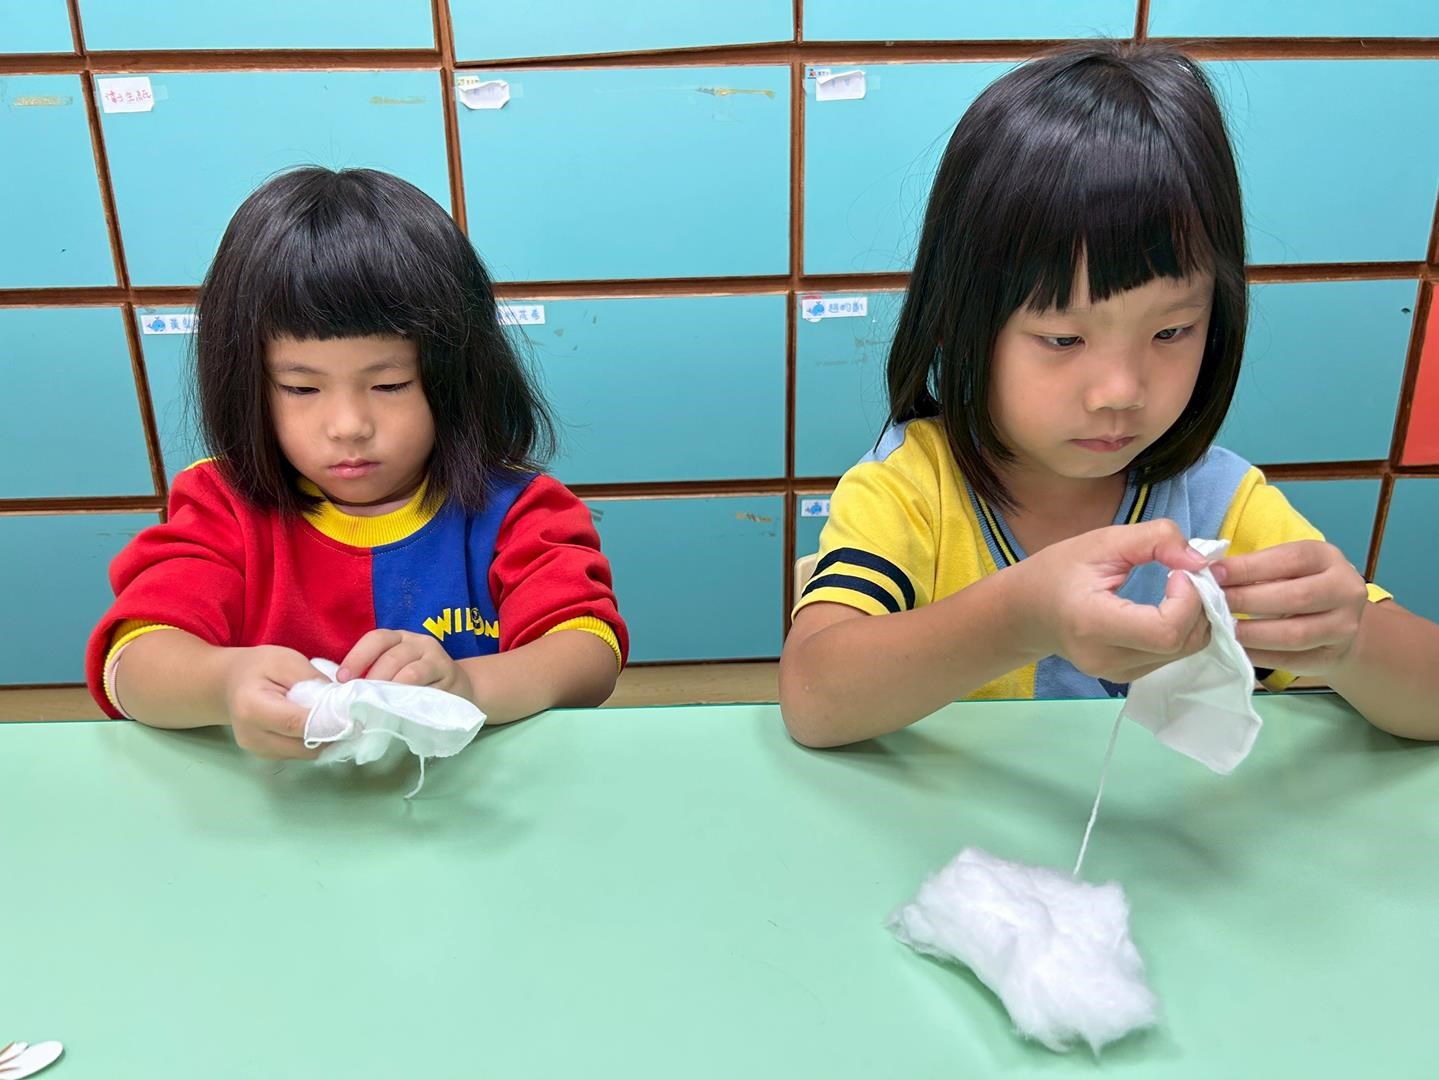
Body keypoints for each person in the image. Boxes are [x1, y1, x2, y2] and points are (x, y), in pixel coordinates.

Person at [780, 43, 1439, 747]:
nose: (1119, 393)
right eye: (1062, 338)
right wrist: (1020, 618)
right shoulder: (911, 490)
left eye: (1171, 331)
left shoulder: (1217, 502)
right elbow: (815, 702)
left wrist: (1349, 641)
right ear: (958, 321)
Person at [87, 167, 626, 759]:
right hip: (283, 799)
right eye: (301, 388)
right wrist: (223, 684)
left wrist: (470, 686)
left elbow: (588, 653)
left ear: (458, 378)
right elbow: (131, 663)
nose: (348, 425)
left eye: (390, 384)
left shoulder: (517, 509)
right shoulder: (222, 504)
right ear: (246, 385)